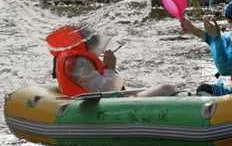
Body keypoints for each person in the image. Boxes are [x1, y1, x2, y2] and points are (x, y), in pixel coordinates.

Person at [47, 24, 175, 97]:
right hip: (94, 109)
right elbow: (107, 92)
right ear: (85, 44)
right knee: (167, 88)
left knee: (158, 89)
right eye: (95, 45)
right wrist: (110, 68)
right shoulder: (81, 63)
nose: (98, 49)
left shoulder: (72, 59)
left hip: (87, 102)